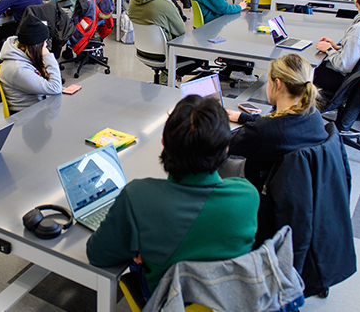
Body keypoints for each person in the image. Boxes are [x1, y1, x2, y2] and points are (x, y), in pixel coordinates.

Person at [86, 94, 260, 295]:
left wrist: (140, 244)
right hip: (228, 300)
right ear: (226, 148)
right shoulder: (247, 195)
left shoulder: (139, 197)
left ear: (163, 143)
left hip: (167, 299)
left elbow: (97, 254)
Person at [226, 54, 328, 186]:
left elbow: (222, 144)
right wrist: (244, 117)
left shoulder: (264, 130)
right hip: (295, 184)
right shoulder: (314, 115)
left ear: (278, 84)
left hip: (258, 182)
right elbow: (278, 124)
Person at [129, 0, 197, 81]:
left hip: (142, 51)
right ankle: (173, 75)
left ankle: (167, 75)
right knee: (200, 55)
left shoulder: (133, 0)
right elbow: (181, 31)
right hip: (164, 54)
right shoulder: (165, 5)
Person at [0, 15, 63, 114]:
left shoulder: (25, 53)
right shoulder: (17, 69)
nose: (46, 46)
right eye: (44, 43)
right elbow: (55, 88)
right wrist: (48, 56)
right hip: (28, 116)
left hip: (41, 105)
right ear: (35, 46)